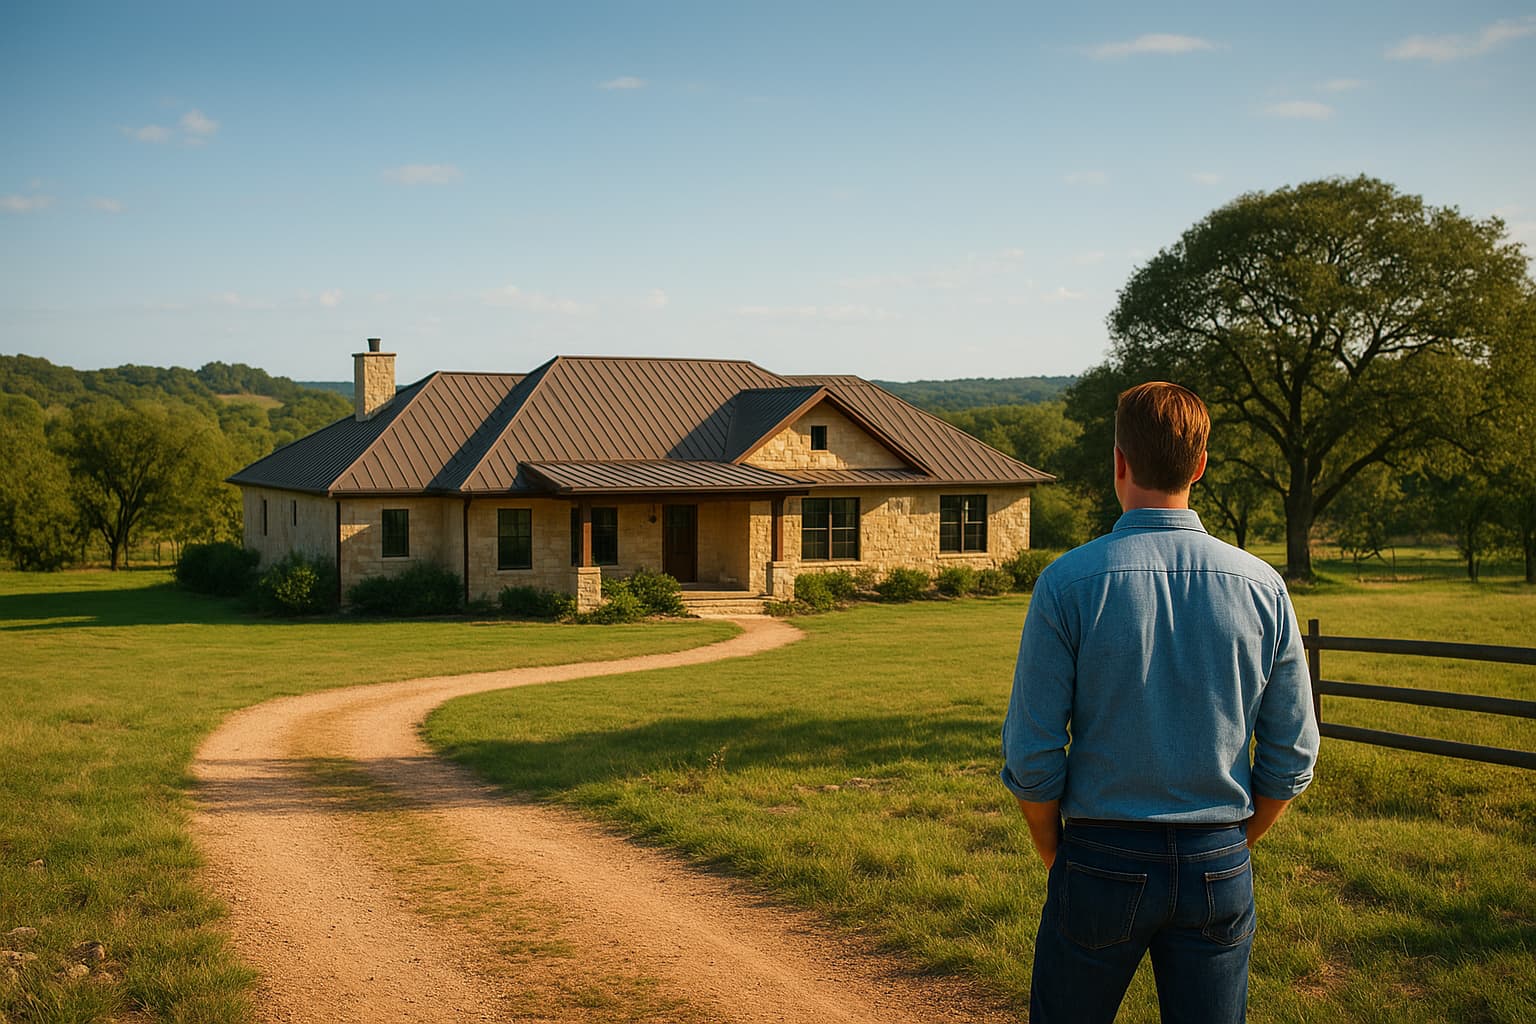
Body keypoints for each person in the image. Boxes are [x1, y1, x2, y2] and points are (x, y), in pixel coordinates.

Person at [1000, 381, 1318, 1023]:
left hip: (1099, 853)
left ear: (1118, 461)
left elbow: (1033, 750)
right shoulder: (1262, 586)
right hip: (1218, 857)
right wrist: (1237, 841)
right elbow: (1292, 751)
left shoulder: (1068, 583)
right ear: (1200, 465)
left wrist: (1052, 848)